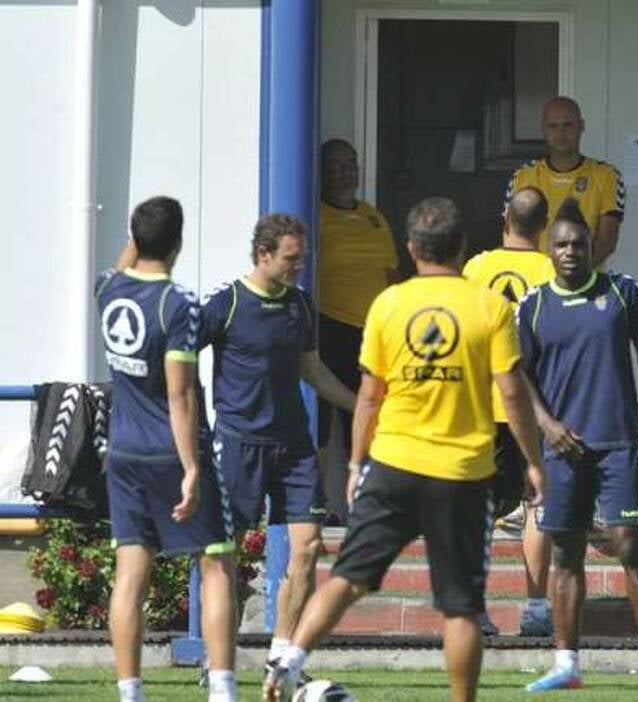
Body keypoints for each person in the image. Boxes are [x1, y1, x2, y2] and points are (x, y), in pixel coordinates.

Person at [263, 197, 546, 702]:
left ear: (411, 248)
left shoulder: (388, 305)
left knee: (348, 578)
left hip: (393, 464)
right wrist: (533, 461)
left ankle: (290, 660)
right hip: (462, 473)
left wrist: (356, 464)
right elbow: (511, 392)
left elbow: (370, 396)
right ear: (462, 247)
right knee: (461, 608)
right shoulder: (489, 306)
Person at [518, 199, 638, 696]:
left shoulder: (622, 292)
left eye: (579, 245)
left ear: (592, 249)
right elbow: (518, 377)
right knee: (565, 554)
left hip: (617, 442)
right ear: (549, 249)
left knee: (628, 544)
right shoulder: (533, 306)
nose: (570, 252)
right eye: (562, 244)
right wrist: (547, 426)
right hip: (562, 448)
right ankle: (566, 664)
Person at [199, 214, 357, 675]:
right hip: (238, 444)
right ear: (263, 254)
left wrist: (361, 405)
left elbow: (313, 370)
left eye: (301, 258)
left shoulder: (301, 305)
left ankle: (282, 657)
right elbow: (179, 357)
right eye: (291, 259)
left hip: (294, 448)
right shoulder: (227, 302)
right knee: (223, 556)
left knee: (308, 547)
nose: (298, 267)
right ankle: (217, 656)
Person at [96, 196, 237, 702]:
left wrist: (136, 238)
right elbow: (180, 394)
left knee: (131, 572)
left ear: (135, 239)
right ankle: (222, 689)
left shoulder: (107, 289)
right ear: (178, 242)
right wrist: (192, 467)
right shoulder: (178, 304)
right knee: (215, 561)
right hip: (169, 452)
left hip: (124, 452)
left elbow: (121, 265)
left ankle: (130, 692)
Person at [462, 186, 557, 637]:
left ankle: (476, 610)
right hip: (536, 405)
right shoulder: (552, 270)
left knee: (478, 508)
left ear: (504, 220)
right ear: (545, 227)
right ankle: (536, 608)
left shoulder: (476, 267)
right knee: (538, 503)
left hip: (483, 404)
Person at [317, 138, 404, 518]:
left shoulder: (374, 218)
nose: (345, 172)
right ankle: (317, 505)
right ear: (321, 171)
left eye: (350, 163)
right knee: (320, 421)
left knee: (370, 417)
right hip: (329, 327)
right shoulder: (315, 214)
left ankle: (370, 503)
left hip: (373, 333)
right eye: (337, 165)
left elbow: (391, 275)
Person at [503, 96, 625, 268]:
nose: (561, 133)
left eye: (568, 125)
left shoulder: (607, 176)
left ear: (581, 126)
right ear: (543, 129)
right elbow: (511, 235)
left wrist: (571, 276)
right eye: (553, 126)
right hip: (535, 279)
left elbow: (607, 241)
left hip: (585, 279)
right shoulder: (523, 176)